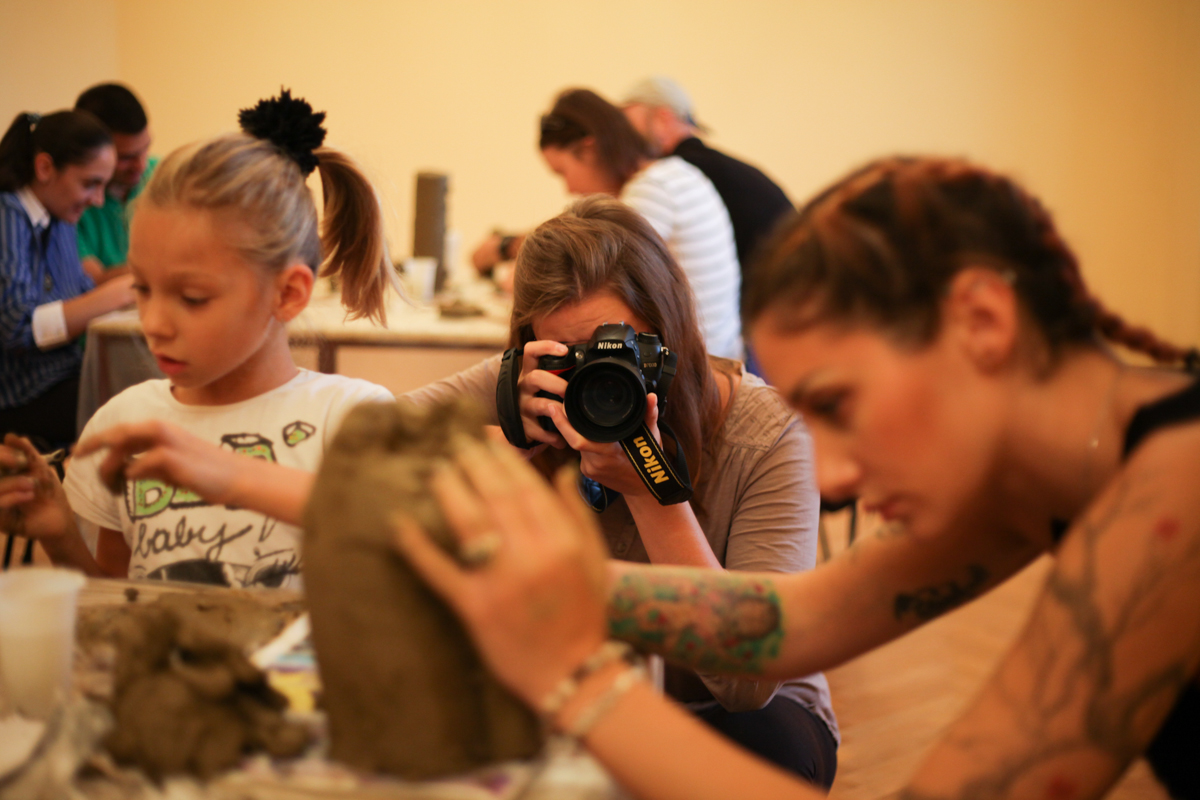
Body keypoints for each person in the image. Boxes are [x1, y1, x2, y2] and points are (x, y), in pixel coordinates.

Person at [392, 156, 1200, 800]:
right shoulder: (1033, 484)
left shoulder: (1174, 494)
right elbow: (781, 624)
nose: (836, 475)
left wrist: (576, 686)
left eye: (841, 403)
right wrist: (547, 591)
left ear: (983, 322)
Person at [409, 196, 836, 784]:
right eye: (572, 355)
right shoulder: (541, 383)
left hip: (721, 710)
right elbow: (354, 440)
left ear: (670, 330)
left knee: (769, 748)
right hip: (575, 685)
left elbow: (745, 684)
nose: (596, 375)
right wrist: (504, 437)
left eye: (620, 347)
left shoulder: (770, 435)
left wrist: (648, 490)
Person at [0, 90, 396, 588]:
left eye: (192, 298)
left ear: (288, 294)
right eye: (142, 290)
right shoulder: (126, 422)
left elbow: (407, 559)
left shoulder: (350, 420)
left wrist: (238, 478)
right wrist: (60, 535)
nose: (154, 323)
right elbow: (120, 597)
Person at [473, 88, 743, 361]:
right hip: (718, 350)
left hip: (697, 361)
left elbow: (550, 281)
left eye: (562, 172)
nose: (569, 188)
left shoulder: (651, 192)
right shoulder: (675, 173)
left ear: (589, 149)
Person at [0, 110, 135, 450]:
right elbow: (15, 327)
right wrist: (112, 296)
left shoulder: (59, 217)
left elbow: (78, 293)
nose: (98, 200)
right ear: (45, 168)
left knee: (149, 389)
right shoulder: (7, 215)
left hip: (64, 377)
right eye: (90, 184)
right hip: (21, 396)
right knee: (134, 411)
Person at [621, 76, 793, 278]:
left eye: (628, 123)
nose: (624, 137)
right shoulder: (715, 167)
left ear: (663, 119)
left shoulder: (675, 176)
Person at [74, 83, 156, 283]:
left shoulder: (166, 176)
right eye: (126, 157)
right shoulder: (72, 201)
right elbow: (92, 281)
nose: (142, 165)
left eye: (145, 149)